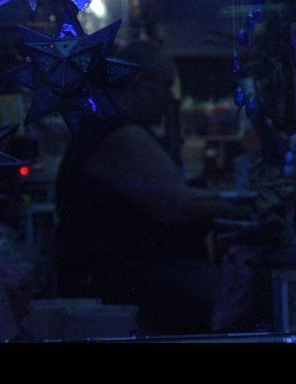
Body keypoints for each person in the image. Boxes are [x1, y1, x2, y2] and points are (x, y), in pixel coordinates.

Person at [54, 40, 250, 335]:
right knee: (236, 301)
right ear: (140, 82)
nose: (170, 97)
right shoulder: (120, 134)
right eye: (166, 85)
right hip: (128, 282)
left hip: (122, 279)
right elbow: (178, 204)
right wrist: (247, 205)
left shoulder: (104, 126)